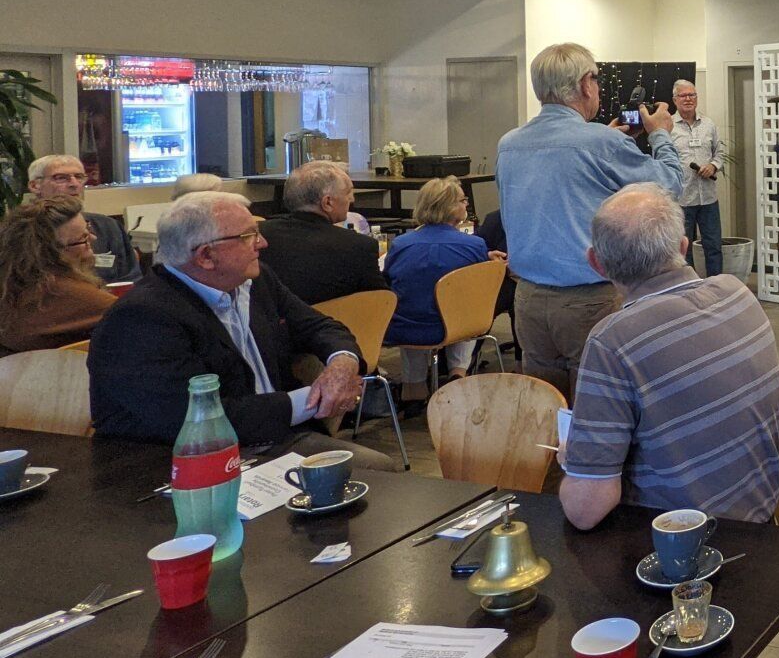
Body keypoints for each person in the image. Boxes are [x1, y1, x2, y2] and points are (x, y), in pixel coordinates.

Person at [87, 192, 397, 469]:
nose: (263, 243)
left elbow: (317, 325)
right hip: (181, 463)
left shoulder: (254, 281)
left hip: (268, 439)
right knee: (375, 472)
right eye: (249, 236)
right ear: (206, 256)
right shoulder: (142, 319)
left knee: (378, 474)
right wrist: (316, 398)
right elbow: (200, 421)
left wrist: (343, 362)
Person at [558, 184, 779, 529]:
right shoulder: (736, 293)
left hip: (680, 544)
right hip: (762, 520)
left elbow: (586, 510)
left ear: (596, 264)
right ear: (682, 247)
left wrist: (574, 458)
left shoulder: (612, 341)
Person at [497, 42, 681, 395]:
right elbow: (670, 186)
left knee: (546, 410)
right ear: (585, 84)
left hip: (529, 301)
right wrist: (659, 133)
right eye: (596, 79)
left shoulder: (509, 143)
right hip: (589, 300)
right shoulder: (598, 143)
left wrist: (607, 140)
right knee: (597, 407)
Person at [384, 177, 497, 402]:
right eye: (463, 200)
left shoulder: (400, 244)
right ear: (451, 207)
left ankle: (413, 386)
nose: (467, 205)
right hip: (456, 327)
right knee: (464, 304)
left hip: (406, 329)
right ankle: (458, 373)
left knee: (413, 302)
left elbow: (389, 282)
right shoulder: (474, 245)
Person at [259, 160, 387, 306]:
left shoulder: (259, 236)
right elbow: (380, 303)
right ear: (327, 203)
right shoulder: (357, 246)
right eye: (348, 192)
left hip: (268, 325)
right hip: (337, 324)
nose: (352, 199)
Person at [0, 196, 116, 355]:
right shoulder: (64, 293)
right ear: (53, 252)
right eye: (83, 239)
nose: (93, 239)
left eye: (88, 229)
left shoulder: (13, 287)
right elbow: (133, 317)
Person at [25, 153, 140, 283]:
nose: (74, 184)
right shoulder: (24, 230)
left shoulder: (108, 226)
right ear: (35, 186)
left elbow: (132, 279)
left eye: (79, 177)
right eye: (61, 178)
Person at [668, 79, 726, 278]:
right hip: (682, 199)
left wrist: (713, 166)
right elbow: (662, 160)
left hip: (708, 198)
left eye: (692, 95)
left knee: (714, 246)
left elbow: (720, 153)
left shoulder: (708, 124)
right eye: (683, 95)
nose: (688, 99)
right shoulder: (668, 127)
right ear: (675, 100)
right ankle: (689, 290)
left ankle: (717, 287)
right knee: (683, 250)